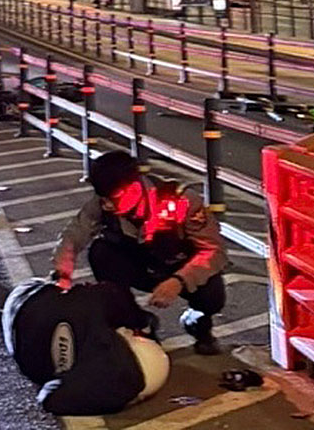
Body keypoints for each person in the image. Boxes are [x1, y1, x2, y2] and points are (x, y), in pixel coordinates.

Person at [52, 150, 228, 354]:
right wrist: (62, 275)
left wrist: (178, 281)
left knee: (212, 295)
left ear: (135, 188)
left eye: (114, 198)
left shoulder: (181, 200)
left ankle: (198, 323)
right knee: (100, 252)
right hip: (141, 266)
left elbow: (214, 250)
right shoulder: (103, 204)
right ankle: (139, 323)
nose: (108, 205)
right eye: (103, 199)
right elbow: (74, 234)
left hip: (179, 268)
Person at [2, 277, 169, 416]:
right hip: (28, 358)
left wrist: (141, 322)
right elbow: (50, 399)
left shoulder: (100, 300)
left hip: (26, 297)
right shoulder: (110, 380)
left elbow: (51, 401)